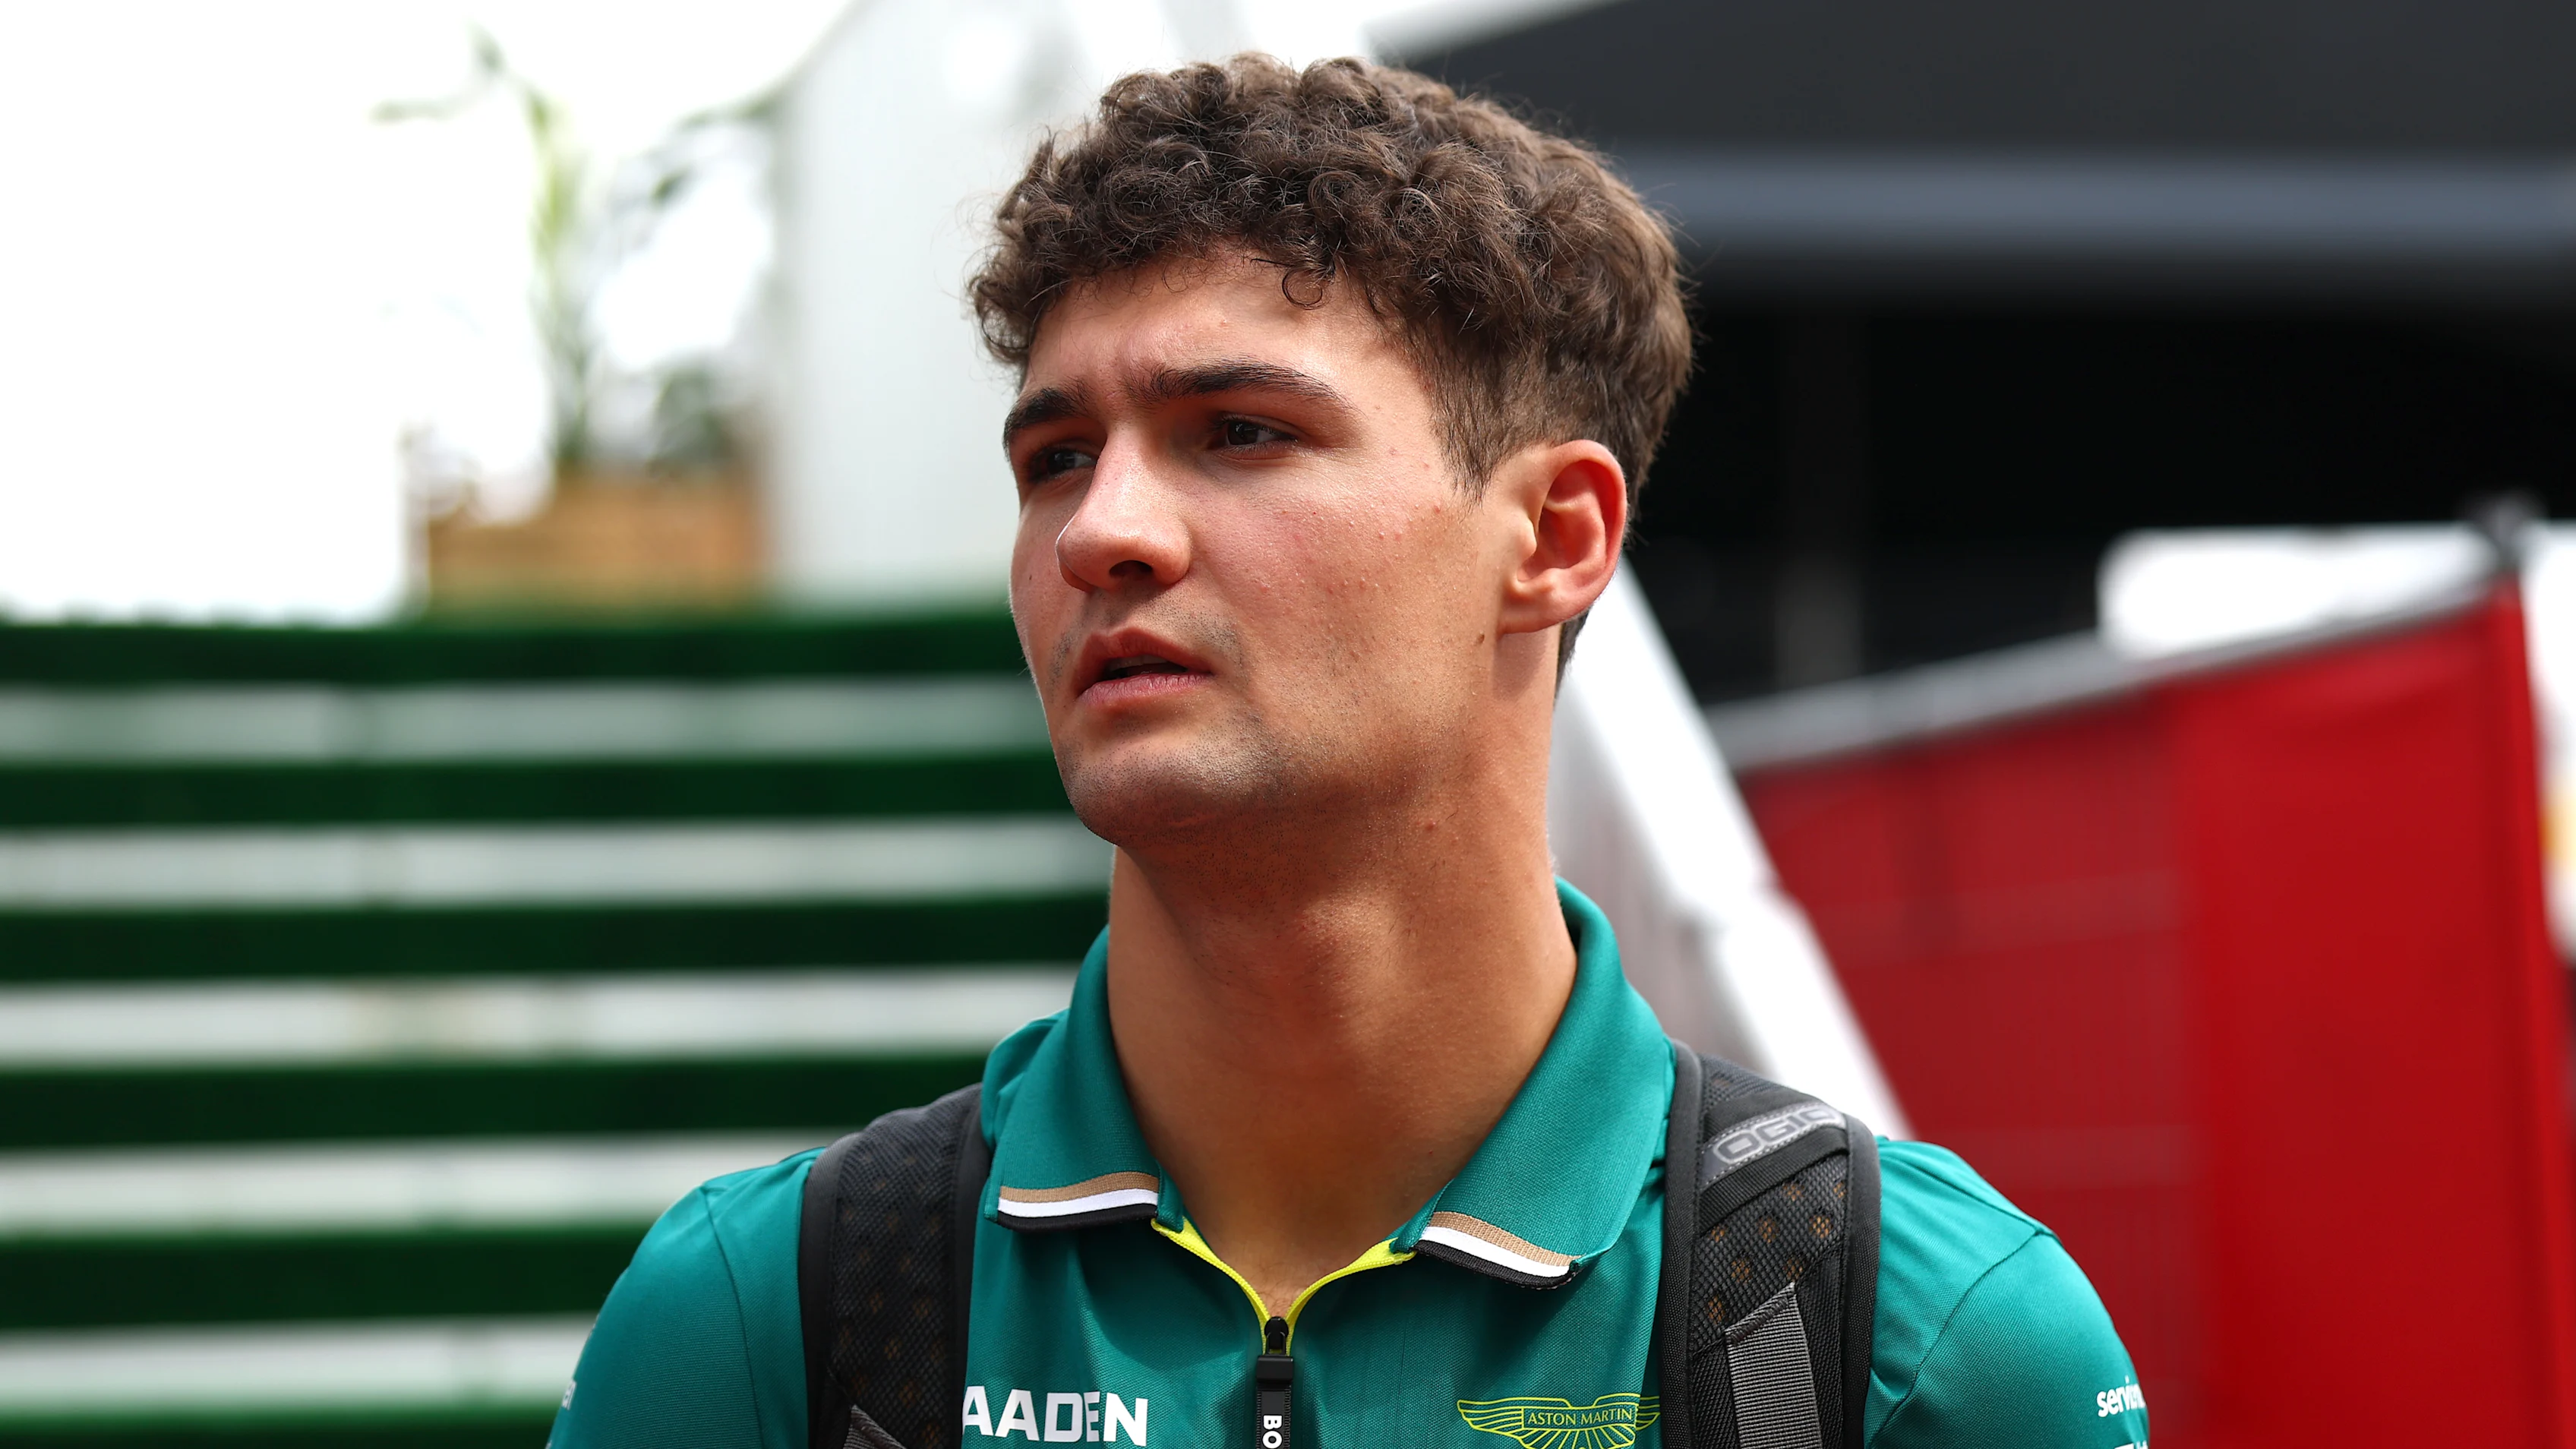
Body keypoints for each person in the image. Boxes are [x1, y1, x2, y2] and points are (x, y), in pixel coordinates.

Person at [548, 55, 2148, 1449]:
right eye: (1053, 456)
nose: (1101, 529)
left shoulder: (1915, 1343)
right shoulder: (771, 1320)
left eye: (1237, 431)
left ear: (1555, 536)